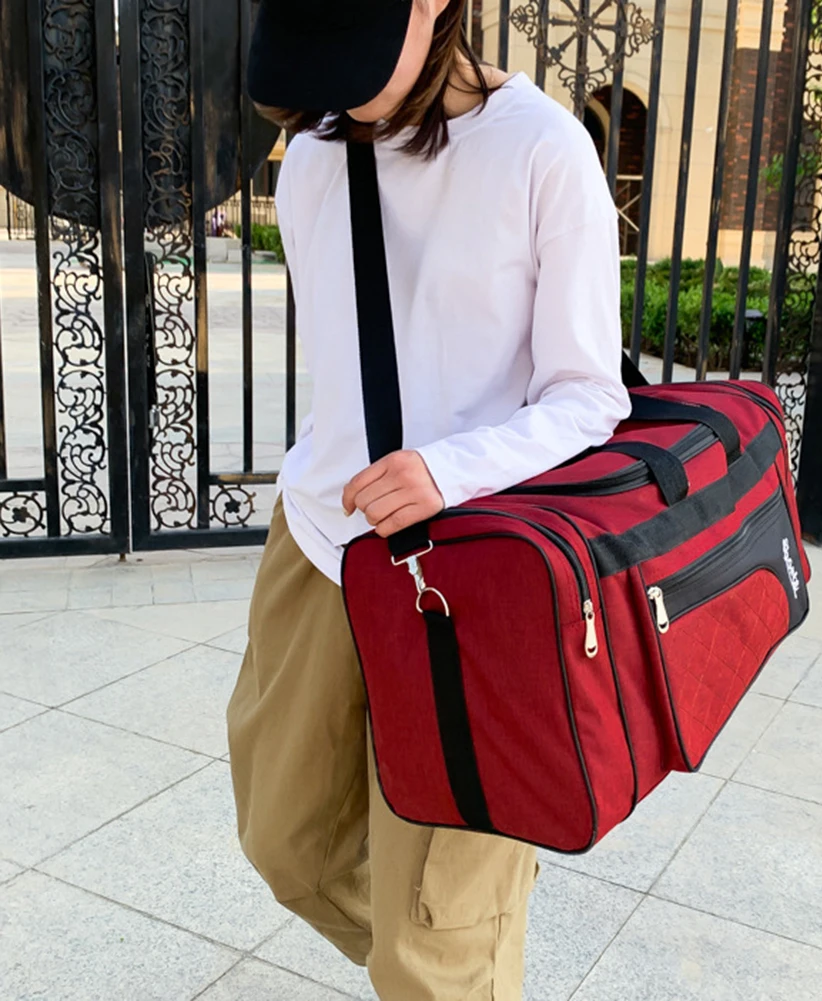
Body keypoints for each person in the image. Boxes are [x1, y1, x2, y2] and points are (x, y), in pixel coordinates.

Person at [226, 1, 630, 998]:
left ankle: (458, 945)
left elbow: (588, 395)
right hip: (319, 542)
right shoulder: (313, 153)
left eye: (348, 50)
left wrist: (447, 470)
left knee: (432, 944)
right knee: (286, 845)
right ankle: (462, 944)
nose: (332, 88)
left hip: (473, 577)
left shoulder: (542, 151)